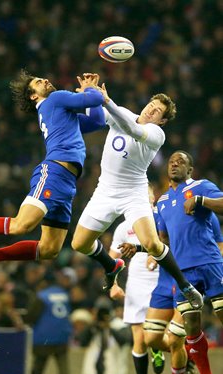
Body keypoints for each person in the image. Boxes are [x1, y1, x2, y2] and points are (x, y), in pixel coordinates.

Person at [0, 71, 105, 284]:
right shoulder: (54, 98)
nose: (45, 79)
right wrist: (90, 88)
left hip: (67, 183)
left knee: (49, 249)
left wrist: (91, 95)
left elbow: (98, 121)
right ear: (34, 96)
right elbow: (95, 98)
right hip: (54, 172)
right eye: (38, 81)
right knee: (21, 225)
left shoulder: (59, 111)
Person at [71, 75, 203, 310]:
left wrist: (106, 100)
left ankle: (185, 285)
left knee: (152, 243)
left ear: (161, 121)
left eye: (157, 112)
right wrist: (86, 96)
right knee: (79, 243)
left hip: (134, 193)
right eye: (151, 106)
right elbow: (96, 116)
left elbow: (130, 128)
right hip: (105, 190)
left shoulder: (156, 134)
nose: (151, 111)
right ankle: (112, 266)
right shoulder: (121, 111)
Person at [145, 150, 223, 374]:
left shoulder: (202, 186)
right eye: (171, 162)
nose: (175, 164)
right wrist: (141, 249)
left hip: (210, 263)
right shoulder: (163, 202)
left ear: (190, 169)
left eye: (181, 162)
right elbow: (163, 239)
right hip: (183, 273)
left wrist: (202, 201)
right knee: (191, 328)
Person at [109, 183, 165, 374]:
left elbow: (175, 245)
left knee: (162, 331)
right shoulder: (124, 227)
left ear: (153, 198)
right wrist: (113, 284)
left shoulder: (163, 218)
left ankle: (159, 348)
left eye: (148, 194)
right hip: (136, 285)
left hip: (161, 281)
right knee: (138, 338)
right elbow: (112, 258)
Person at [24, 271, 72, 374]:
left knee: (38, 368)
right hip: (62, 335)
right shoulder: (64, 294)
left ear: (44, 283)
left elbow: (31, 316)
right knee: (63, 369)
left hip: (43, 337)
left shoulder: (42, 296)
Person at [77, 303, 131, 374]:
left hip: (113, 371)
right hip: (92, 372)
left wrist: (110, 328)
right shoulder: (93, 326)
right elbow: (82, 342)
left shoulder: (118, 324)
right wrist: (92, 326)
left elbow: (124, 340)